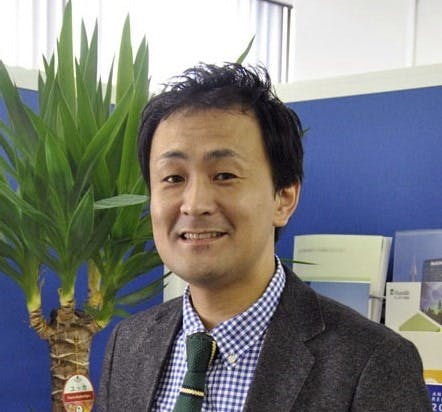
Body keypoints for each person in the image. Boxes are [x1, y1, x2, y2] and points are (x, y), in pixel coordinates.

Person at [97, 63, 431, 411]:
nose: (194, 204)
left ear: (283, 198)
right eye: (173, 178)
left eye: (224, 175)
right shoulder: (129, 344)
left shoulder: (371, 362)